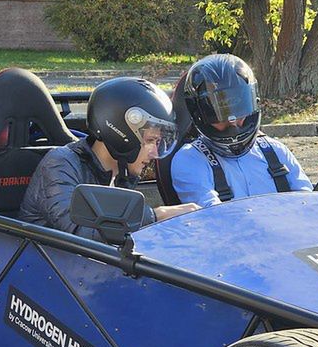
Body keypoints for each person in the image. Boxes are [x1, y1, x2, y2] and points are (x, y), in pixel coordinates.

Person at [19, 77, 199, 240]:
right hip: (43, 267)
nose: (153, 153)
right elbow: (80, 233)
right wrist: (156, 216)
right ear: (121, 134)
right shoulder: (60, 165)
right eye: (150, 140)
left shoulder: (122, 173)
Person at [170, 54, 312, 207]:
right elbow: (211, 214)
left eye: (238, 107)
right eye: (218, 113)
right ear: (199, 113)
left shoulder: (276, 151)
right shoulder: (189, 159)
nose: (232, 121)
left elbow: (307, 204)